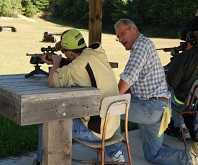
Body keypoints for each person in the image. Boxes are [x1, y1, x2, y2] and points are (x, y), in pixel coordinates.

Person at [114, 18, 198, 165]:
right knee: (153, 154)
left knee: (108, 109)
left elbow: (128, 77)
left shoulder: (141, 45)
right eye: (118, 36)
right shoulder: (144, 44)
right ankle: (190, 158)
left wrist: (112, 97)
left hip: (151, 108)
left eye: (122, 33)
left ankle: (114, 155)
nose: (120, 39)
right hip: (159, 108)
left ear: (133, 29)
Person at [43, 28, 125, 163]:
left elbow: (52, 82)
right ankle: (116, 153)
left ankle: (44, 160)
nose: (63, 54)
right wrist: (63, 60)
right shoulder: (97, 52)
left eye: (63, 51)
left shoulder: (75, 67)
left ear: (69, 52)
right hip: (113, 126)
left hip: (97, 132)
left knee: (47, 119)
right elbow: (79, 62)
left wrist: (56, 63)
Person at [166, 11, 198, 141]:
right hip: (195, 100)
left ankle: (177, 125)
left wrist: (176, 59)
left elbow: (172, 82)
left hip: (184, 100)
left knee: (164, 88)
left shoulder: (185, 56)